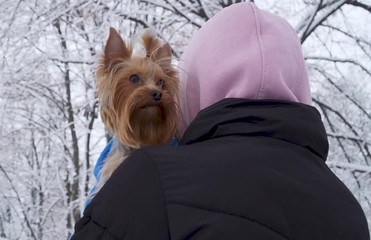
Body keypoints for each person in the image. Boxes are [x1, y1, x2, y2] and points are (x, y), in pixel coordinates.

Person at [71, 2, 370, 240]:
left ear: (194, 87)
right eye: (136, 80)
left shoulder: (153, 177)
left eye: (162, 84)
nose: (153, 91)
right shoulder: (348, 208)